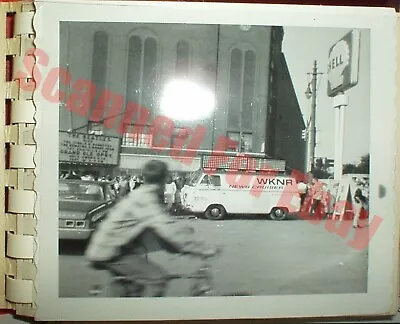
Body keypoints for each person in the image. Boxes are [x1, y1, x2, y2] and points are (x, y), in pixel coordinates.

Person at [85, 160, 218, 297]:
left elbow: (160, 232)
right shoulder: (146, 199)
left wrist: (182, 246)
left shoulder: (142, 194)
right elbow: (168, 230)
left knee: (134, 287)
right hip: (110, 252)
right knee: (157, 279)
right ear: (163, 179)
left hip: (114, 247)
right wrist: (201, 249)